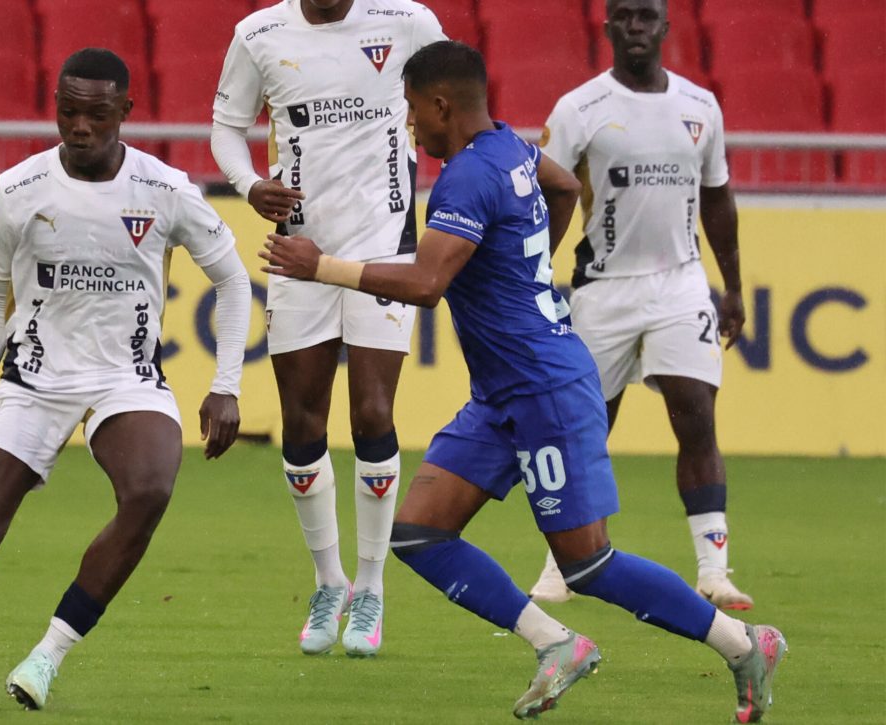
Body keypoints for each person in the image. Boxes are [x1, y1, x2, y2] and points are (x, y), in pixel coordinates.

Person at [260, 41, 785, 723]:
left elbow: (424, 284)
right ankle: (554, 642)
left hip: (544, 389)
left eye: (415, 113)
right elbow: (564, 186)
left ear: (442, 105)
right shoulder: (510, 145)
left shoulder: (465, 179)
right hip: (503, 392)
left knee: (588, 565)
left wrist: (321, 265)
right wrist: (523, 263)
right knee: (419, 531)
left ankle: (745, 643)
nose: (412, 127)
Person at [0, 48, 251, 710]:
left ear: (126, 113)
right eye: (68, 111)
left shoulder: (163, 189)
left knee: (149, 489)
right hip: (33, 380)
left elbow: (232, 277)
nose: (79, 126)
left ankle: (48, 654)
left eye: (97, 113)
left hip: (126, 378)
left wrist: (227, 383)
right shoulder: (20, 189)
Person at [210, 0, 445, 658]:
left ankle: (371, 586)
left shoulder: (406, 20)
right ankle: (329, 580)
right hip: (298, 252)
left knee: (372, 411)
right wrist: (251, 183)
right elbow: (227, 127)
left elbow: (450, 99)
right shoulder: (257, 34)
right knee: (303, 422)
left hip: (386, 250)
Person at [527, 0, 753, 610]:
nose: (635, 27)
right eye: (623, 17)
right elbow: (550, 191)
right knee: (586, 427)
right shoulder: (580, 109)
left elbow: (718, 198)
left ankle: (713, 569)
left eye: (646, 17)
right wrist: (535, 271)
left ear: (664, 28)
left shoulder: (700, 107)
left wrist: (731, 285)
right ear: (606, 28)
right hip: (604, 286)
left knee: (696, 415)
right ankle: (560, 563)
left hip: (680, 283)